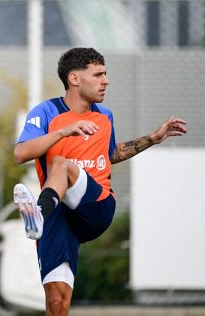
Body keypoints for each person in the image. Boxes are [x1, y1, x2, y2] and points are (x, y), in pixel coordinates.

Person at [13, 47, 187, 315]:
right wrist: (63, 132)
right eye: (98, 74)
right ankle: (40, 217)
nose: (106, 80)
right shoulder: (46, 112)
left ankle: (37, 214)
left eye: (105, 74)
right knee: (56, 303)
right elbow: (21, 153)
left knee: (60, 165)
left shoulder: (104, 115)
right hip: (58, 216)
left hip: (96, 207)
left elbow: (110, 154)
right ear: (75, 79)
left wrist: (153, 138)